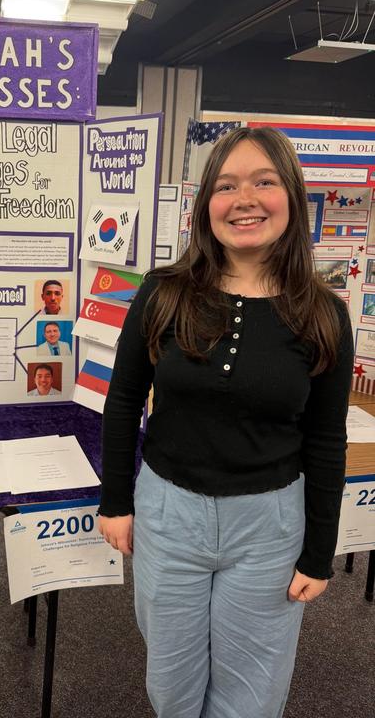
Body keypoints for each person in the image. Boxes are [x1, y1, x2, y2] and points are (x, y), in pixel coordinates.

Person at [98, 126, 354, 718]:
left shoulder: (323, 314)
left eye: (264, 182)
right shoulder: (164, 292)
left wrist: (319, 552)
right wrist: (115, 501)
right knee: (172, 686)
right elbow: (124, 400)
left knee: (252, 697)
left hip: (268, 528)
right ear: (206, 203)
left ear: (291, 196)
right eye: (226, 186)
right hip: (170, 517)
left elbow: (326, 439)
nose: (245, 200)